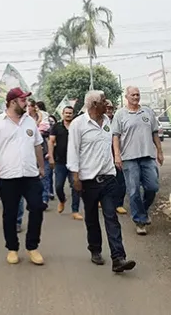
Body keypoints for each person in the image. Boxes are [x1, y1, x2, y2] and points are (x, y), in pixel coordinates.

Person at [67, 90, 136, 273]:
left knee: (111, 217)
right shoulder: (78, 124)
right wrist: (75, 177)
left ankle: (118, 257)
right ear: (94, 105)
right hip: (88, 181)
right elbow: (73, 151)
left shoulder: (108, 122)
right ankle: (95, 249)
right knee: (91, 218)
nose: (107, 104)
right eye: (104, 101)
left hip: (108, 178)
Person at [0, 88, 46, 265]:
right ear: (13, 101)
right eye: (23, 100)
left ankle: (32, 246)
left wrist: (41, 166)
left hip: (30, 174)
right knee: (10, 213)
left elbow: (38, 145)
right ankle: (12, 248)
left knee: (37, 207)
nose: (27, 104)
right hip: (8, 176)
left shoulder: (29, 121)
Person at [112, 86, 164, 235]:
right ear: (126, 97)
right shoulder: (120, 114)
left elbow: (154, 133)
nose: (136, 97)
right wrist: (117, 155)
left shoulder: (147, 111)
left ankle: (142, 210)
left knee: (152, 187)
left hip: (148, 156)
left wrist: (159, 151)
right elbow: (115, 135)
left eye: (138, 95)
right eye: (133, 95)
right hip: (129, 158)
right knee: (134, 191)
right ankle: (140, 221)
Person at [48, 106, 82, 219]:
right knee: (58, 186)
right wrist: (51, 157)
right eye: (66, 113)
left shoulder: (77, 126)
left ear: (73, 114)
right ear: (62, 114)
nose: (68, 115)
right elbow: (51, 141)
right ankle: (62, 200)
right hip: (60, 162)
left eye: (70, 113)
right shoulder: (56, 127)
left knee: (76, 186)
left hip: (74, 162)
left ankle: (75, 210)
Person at [105, 100, 127, 215]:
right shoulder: (99, 121)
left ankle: (119, 204)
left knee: (120, 180)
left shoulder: (118, 119)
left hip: (118, 154)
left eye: (111, 108)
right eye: (107, 108)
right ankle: (102, 200)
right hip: (103, 155)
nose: (109, 110)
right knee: (104, 180)